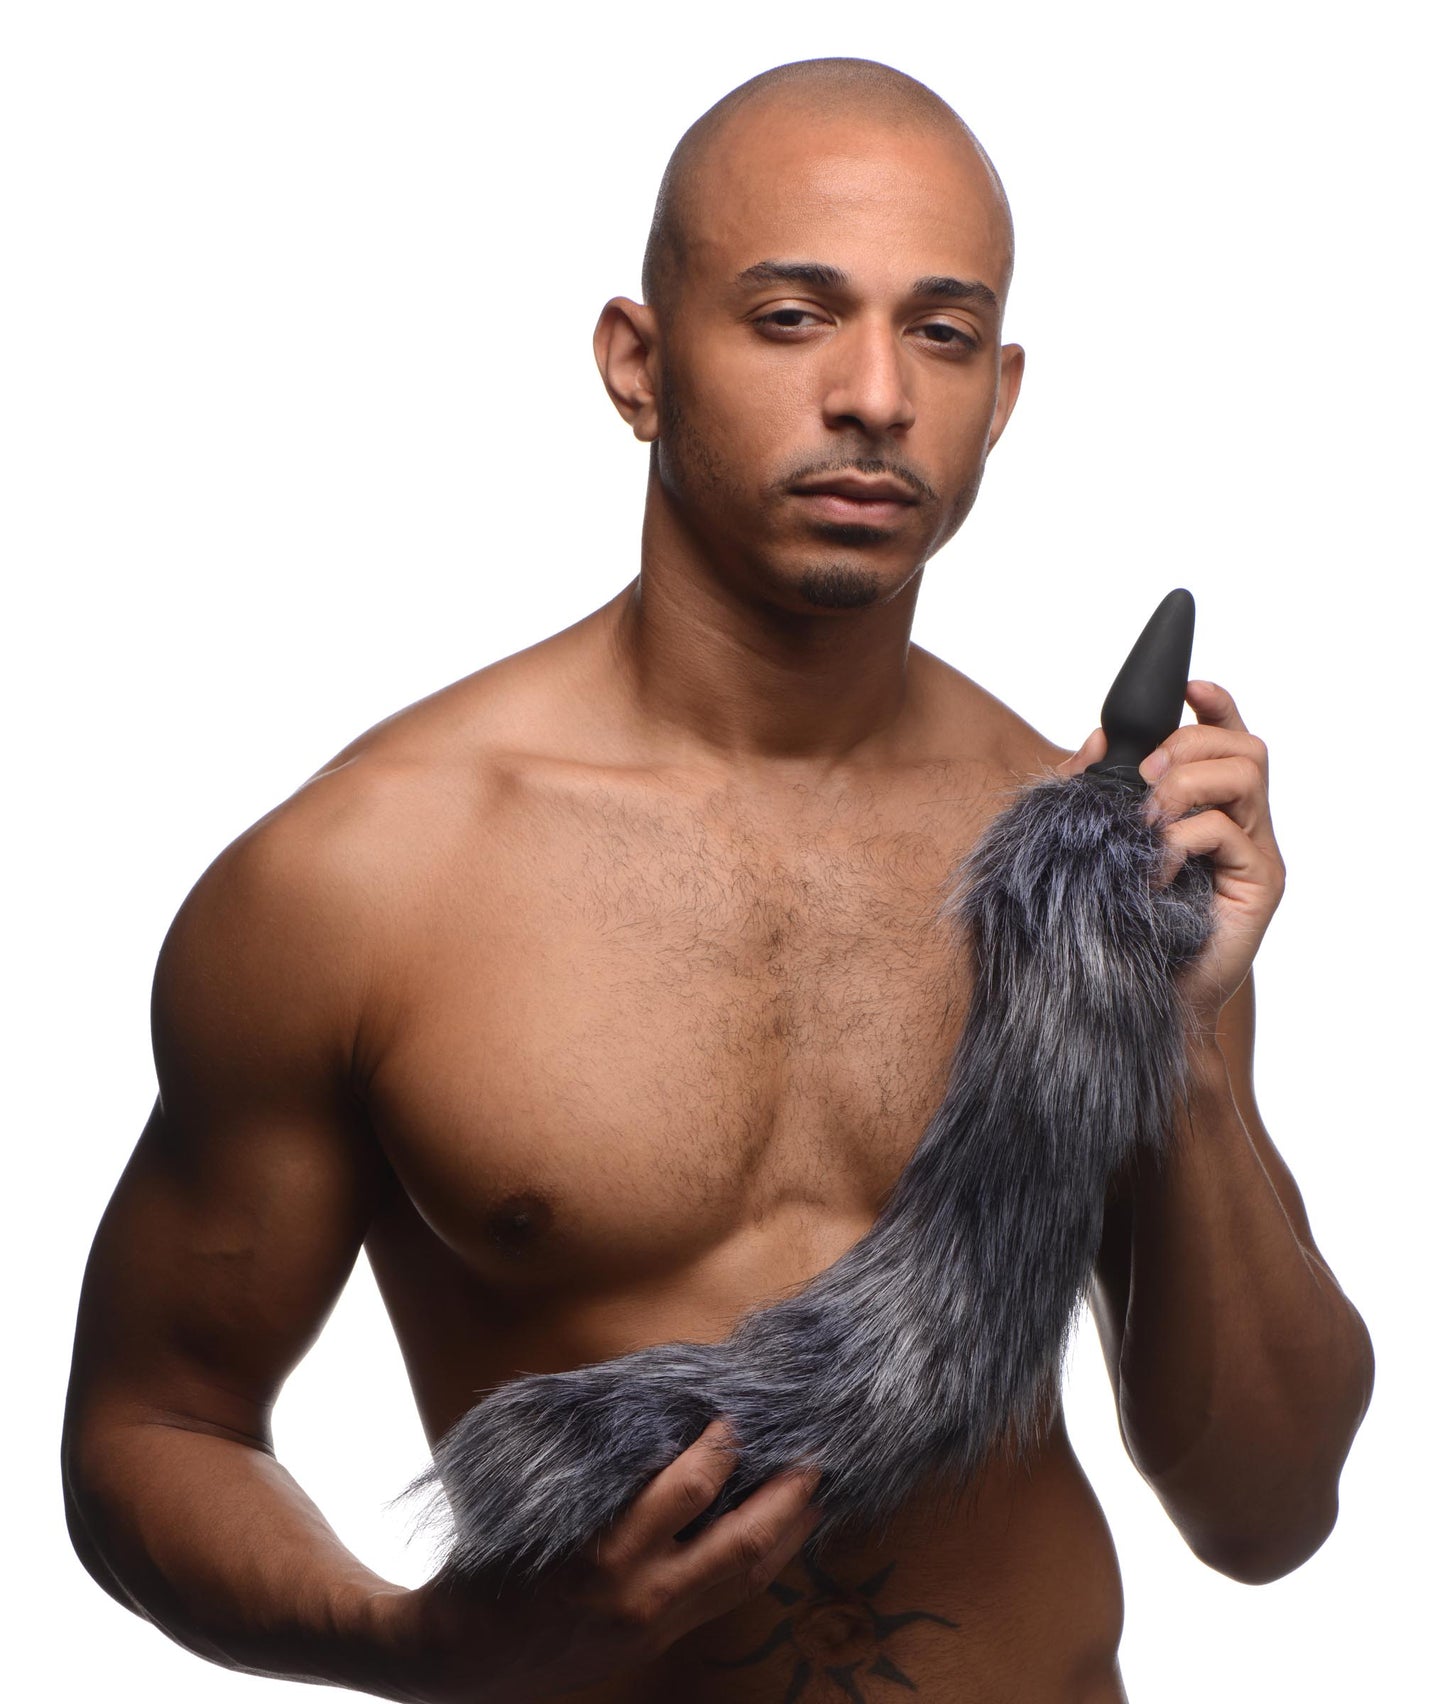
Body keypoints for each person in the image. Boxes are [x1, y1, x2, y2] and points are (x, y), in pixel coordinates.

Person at [61, 56, 1374, 1704]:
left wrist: (1176, 1041)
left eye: (940, 333)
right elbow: (153, 1426)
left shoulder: (1083, 864)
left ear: (999, 396)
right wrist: (425, 1645)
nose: (875, 394)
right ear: (639, 363)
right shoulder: (364, 878)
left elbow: (1264, 1514)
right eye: (792, 317)